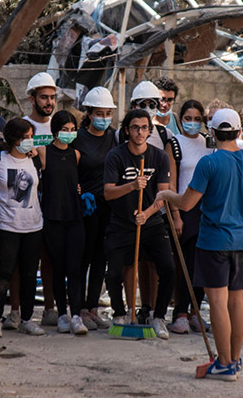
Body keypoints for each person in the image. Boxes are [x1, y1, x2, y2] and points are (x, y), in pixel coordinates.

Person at [157, 108, 243, 381]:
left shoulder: (209, 163)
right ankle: (234, 361)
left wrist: (166, 193)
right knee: (237, 301)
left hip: (215, 241)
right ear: (239, 132)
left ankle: (225, 363)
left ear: (212, 134)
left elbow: (188, 203)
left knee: (217, 302)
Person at [103, 109, 175, 340]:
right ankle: (119, 313)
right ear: (127, 130)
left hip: (151, 222)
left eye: (144, 128)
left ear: (149, 130)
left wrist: (147, 212)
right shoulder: (116, 156)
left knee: (168, 269)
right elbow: (108, 193)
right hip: (121, 222)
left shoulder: (159, 157)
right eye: (135, 127)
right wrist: (132, 186)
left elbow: (164, 194)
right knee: (113, 273)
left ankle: (159, 316)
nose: (140, 132)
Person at [0, 118, 46, 337]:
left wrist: (37, 153)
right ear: (14, 139)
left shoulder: (35, 160)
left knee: (30, 274)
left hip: (33, 226)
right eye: (26, 137)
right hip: (5, 225)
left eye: (31, 136)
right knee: (3, 274)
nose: (30, 141)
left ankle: (27, 319)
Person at [121, 80, 174, 324]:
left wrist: (173, 212)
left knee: (156, 262)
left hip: (156, 208)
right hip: (128, 208)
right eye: (142, 104)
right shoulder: (120, 133)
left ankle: (153, 309)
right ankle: (136, 308)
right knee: (134, 261)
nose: (149, 108)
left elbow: (171, 176)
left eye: (153, 104)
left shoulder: (165, 134)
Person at [164, 99, 213, 334]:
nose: (192, 124)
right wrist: (175, 215)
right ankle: (181, 312)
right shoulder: (174, 144)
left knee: (204, 263)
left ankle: (195, 312)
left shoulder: (209, 143)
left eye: (197, 119)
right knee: (186, 263)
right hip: (185, 209)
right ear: (180, 119)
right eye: (187, 119)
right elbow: (172, 181)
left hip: (206, 209)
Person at [40, 111, 89, 335]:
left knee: (75, 268)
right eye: (64, 129)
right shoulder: (43, 153)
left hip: (75, 216)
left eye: (72, 130)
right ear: (54, 131)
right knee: (58, 267)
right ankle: (61, 314)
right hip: (53, 217)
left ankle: (77, 315)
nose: (69, 134)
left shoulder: (76, 155)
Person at [72, 87, 117, 330]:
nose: (103, 117)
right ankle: (78, 308)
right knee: (83, 257)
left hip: (107, 205)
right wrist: (79, 192)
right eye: (99, 113)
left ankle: (92, 308)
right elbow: (70, 170)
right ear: (89, 113)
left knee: (101, 258)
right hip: (86, 207)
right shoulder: (78, 138)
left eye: (107, 113)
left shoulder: (114, 137)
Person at [22, 72, 58, 327]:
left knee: (50, 256)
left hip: (54, 199)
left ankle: (49, 308)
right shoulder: (21, 125)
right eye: (44, 97)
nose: (49, 102)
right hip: (26, 199)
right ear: (32, 99)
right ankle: (18, 311)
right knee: (23, 257)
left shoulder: (60, 127)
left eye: (52, 97)